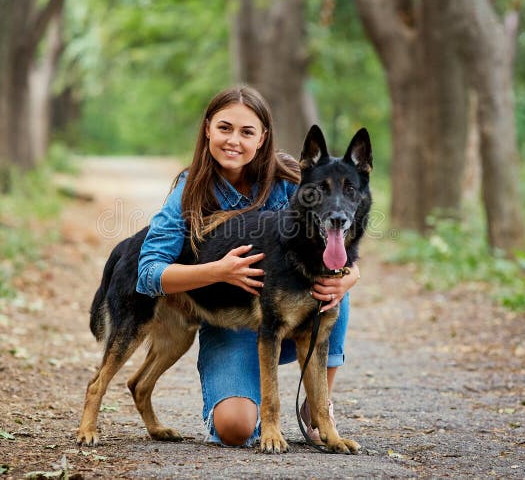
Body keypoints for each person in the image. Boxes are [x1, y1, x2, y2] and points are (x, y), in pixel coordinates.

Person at [135, 85, 359, 447]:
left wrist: (351, 276)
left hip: (285, 318)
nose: (234, 141)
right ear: (207, 128)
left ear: (263, 137)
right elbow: (147, 273)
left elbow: (332, 241)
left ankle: (318, 409)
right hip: (229, 319)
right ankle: (248, 397)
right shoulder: (189, 190)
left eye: (247, 131)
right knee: (236, 429)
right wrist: (218, 271)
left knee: (331, 285)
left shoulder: (292, 180)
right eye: (225, 128)